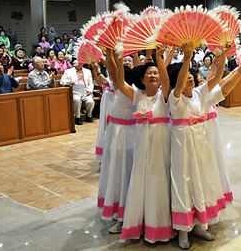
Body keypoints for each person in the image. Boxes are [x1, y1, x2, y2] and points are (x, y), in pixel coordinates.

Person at [168, 42, 241, 250]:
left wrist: (222, 55)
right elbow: (178, 86)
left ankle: (200, 225)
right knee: (184, 184)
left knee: (202, 181)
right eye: (184, 75)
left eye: (190, 75)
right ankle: (183, 230)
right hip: (183, 146)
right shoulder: (174, 99)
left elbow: (216, 77)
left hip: (201, 145)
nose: (189, 78)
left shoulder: (199, 93)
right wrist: (186, 58)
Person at [118, 44, 174, 243]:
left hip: (161, 144)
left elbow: (167, 81)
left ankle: (159, 225)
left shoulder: (165, 96)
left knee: (159, 180)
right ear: (142, 79)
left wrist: (159, 58)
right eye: (149, 73)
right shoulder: (138, 95)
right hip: (142, 146)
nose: (153, 76)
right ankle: (139, 222)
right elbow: (119, 82)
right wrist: (116, 57)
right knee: (141, 179)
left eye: (156, 73)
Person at [96, 50, 137, 235]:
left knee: (122, 176)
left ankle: (123, 217)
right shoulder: (129, 89)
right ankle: (121, 212)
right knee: (119, 174)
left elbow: (112, 70)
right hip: (118, 135)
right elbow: (111, 71)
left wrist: (113, 52)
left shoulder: (127, 90)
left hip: (124, 138)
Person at [60, 61, 95, 125]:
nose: (81, 65)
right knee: (76, 100)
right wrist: (69, 82)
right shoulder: (68, 71)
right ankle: (77, 117)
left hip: (85, 90)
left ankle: (89, 115)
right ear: (74, 65)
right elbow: (62, 82)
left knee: (90, 101)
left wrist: (90, 90)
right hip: (75, 91)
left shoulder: (87, 71)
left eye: (81, 64)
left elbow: (91, 83)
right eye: (79, 64)